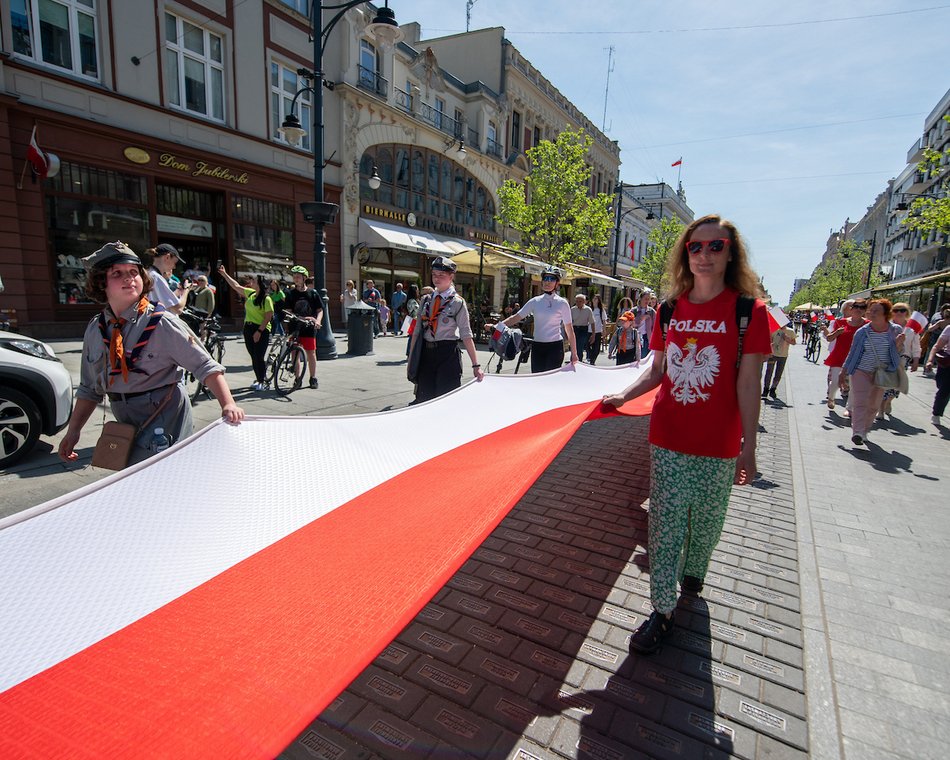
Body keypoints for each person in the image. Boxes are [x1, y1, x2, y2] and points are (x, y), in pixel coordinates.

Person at [602, 214, 770, 654]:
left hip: (718, 443)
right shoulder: (670, 309)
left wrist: (749, 448)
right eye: (695, 246)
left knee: (707, 524)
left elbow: (748, 384)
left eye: (716, 246)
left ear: (731, 254)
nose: (704, 254)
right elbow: (657, 370)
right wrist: (622, 395)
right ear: (685, 254)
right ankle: (662, 611)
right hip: (669, 437)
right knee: (664, 526)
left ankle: (695, 570)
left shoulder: (749, 312)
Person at [58, 242, 243, 465]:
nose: (129, 278)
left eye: (133, 272)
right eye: (117, 273)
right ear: (101, 282)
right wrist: (74, 431)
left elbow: (205, 366)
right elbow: (89, 388)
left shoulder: (162, 322)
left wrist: (228, 404)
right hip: (124, 418)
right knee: (135, 475)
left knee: (164, 474)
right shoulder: (95, 329)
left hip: (164, 414)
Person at [407, 257, 484, 403]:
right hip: (426, 354)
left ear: (451, 276)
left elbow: (466, 335)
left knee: (445, 400)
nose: (436, 278)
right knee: (424, 399)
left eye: (441, 275)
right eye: (434, 275)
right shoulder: (426, 300)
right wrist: (411, 360)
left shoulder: (457, 303)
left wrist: (476, 365)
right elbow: (416, 332)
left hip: (447, 354)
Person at [486, 266, 578, 373]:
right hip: (537, 346)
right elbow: (516, 317)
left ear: (557, 283)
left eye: (552, 279)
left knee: (550, 380)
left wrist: (574, 353)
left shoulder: (562, 303)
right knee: (537, 378)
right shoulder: (535, 301)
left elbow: (569, 329)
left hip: (555, 347)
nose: (548, 282)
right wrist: (497, 327)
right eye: (545, 278)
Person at [840, 298, 900, 446]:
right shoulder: (862, 332)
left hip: (882, 373)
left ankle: (865, 430)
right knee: (860, 402)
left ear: (886, 313)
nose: (871, 313)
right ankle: (857, 432)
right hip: (861, 370)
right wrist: (844, 371)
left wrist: (899, 344)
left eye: (876, 311)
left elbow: (898, 353)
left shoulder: (895, 330)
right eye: (870, 310)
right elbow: (852, 353)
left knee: (873, 405)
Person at [218, 267, 274, 391]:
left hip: (261, 329)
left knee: (258, 356)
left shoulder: (267, 299)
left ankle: (262, 381)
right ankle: (259, 379)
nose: (251, 282)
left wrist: (259, 331)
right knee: (253, 355)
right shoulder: (251, 294)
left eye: (254, 281)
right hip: (248, 328)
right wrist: (225, 274)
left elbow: (268, 317)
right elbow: (236, 286)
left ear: (260, 284)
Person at [283, 265, 323, 389]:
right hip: (295, 327)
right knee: (294, 353)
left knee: (311, 353)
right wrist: (292, 317)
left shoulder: (313, 293)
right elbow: (288, 310)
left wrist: (317, 320)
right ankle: (297, 378)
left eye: (298, 277)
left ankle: (313, 378)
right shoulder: (290, 294)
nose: (296, 279)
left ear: (304, 278)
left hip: (309, 328)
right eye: (294, 277)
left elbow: (320, 310)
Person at [823, 299, 866, 410]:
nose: (858, 309)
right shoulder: (840, 322)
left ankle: (849, 408)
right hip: (839, 355)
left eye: (862, 307)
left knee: (853, 384)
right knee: (835, 381)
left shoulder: (867, 324)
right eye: (856, 307)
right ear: (851, 309)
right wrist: (837, 332)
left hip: (856, 358)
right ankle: (831, 398)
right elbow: (829, 338)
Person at [880, 302, 921, 418]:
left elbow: (916, 346)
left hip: (903, 359)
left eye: (902, 310)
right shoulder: (886, 325)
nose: (899, 313)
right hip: (886, 357)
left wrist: (916, 360)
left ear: (907, 313)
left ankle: (888, 401)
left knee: (897, 384)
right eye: (896, 310)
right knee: (884, 384)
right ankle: (881, 410)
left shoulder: (912, 329)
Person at [146, 243, 190, 314]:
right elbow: (178, 309)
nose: (174, 267)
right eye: (175, 262)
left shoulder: (149, 273)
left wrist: (178, 291)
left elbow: (163, 301)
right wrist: (186, 290)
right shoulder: (156, 277)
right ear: (167, 257)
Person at [924, 317, 950, 426]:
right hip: (948, 364)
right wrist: (930, 360)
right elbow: (937, 346)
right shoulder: (949, 328)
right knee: (944, 390)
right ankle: (936, 413)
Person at [762, 322, 797, 401]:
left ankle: (773, 389)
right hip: (773, 355)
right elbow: (769, 340)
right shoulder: (774, 329)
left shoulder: (790, 331)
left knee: (778, 373)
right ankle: (766, 389)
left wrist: (788, 340)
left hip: (783, 355)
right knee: (769, 372)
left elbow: (794, 342)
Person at [571, 294, 595, 361]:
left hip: (583, 330)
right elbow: (569, 322)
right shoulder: (572, 310)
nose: (578, 303)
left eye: (580, 301)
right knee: (573, 347)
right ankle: (573, 361)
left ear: (584, 301)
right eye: (577, 301)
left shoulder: (588, 310)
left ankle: (578, 361)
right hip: (574, 329)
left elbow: (592, 322)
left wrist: (593, 334)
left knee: (579, 346)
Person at [634, 291, 657, 356]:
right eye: (645, 298)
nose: (647, 300)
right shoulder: (634, 310)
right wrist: (641, 318)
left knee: (643, 357)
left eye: (648, 299)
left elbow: (655, 327)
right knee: (634, 357)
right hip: (635, 337)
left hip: (646, 337)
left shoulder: (652, 312)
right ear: (640, 298)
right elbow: (629, 323)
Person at [587, 293, 607, 364]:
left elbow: (604, 321)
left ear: (598, 300)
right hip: (589, 331)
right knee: (587, 346)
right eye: (593, 298)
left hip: (598, 331)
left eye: (596, 299)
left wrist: (604, 330)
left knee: (596, 349)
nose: (594, 300)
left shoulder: (601, 310)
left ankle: (592, 361)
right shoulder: (589, 309)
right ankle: (590, 358)